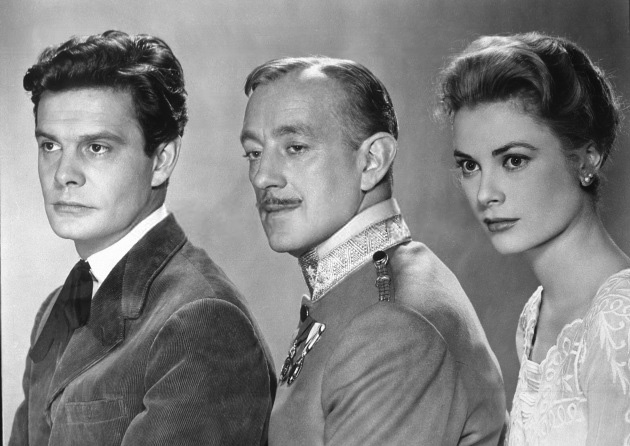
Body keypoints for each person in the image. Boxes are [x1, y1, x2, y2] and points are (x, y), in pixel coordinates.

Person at [10, 30, 275, 446]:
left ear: (162, 160)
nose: (64, 174)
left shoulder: (201, 321)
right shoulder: (59, 306)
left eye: (97, 147)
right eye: (50, 146)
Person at [240, 56, 506, 445]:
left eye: (295, 147)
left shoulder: (393, 329)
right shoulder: (364, 287)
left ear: (372, 161)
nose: (263, 176)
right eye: (253, 152)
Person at [438, 32, 630, 445]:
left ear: (587, 158)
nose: (485, 193)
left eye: (513, 160)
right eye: (470, 166)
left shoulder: (621, 322)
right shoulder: (536, 314)